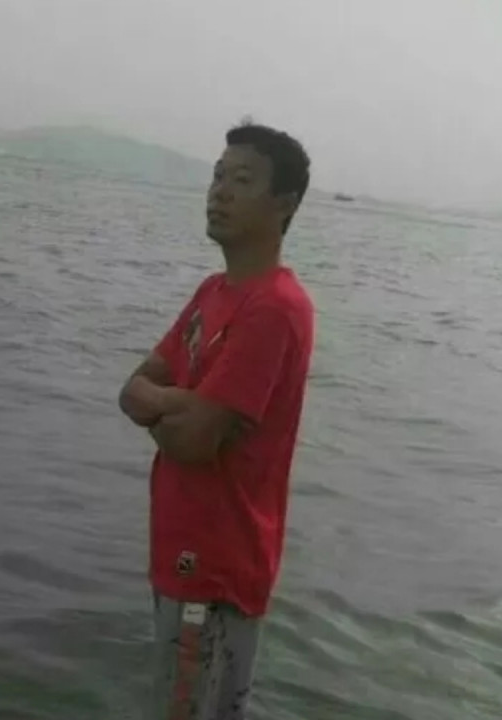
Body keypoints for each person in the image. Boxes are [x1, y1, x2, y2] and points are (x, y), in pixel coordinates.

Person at [119, 122, 314, 720]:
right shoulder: (213, 292)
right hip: (181, 555)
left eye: (242, 180)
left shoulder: (273, 308)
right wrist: (180, 403)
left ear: (284, 204)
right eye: (217, 176)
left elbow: (194, 441)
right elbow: (132, 388)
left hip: (215, 566)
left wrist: (170, 406)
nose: (220, 191)